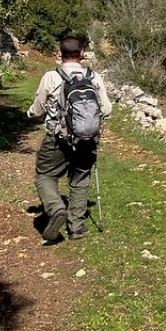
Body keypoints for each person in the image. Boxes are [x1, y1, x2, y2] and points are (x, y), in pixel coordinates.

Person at [27, 36, 112, 242]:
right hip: (87, 139)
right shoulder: (93, 76)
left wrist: (31, 114)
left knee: (45, 175)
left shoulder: (51, 76)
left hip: (58, 138)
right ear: (82, 53)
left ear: (59, 53)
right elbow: (107, 110)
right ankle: (76, 228)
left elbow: (38, 109)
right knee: (80, 180)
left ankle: (56, 209)